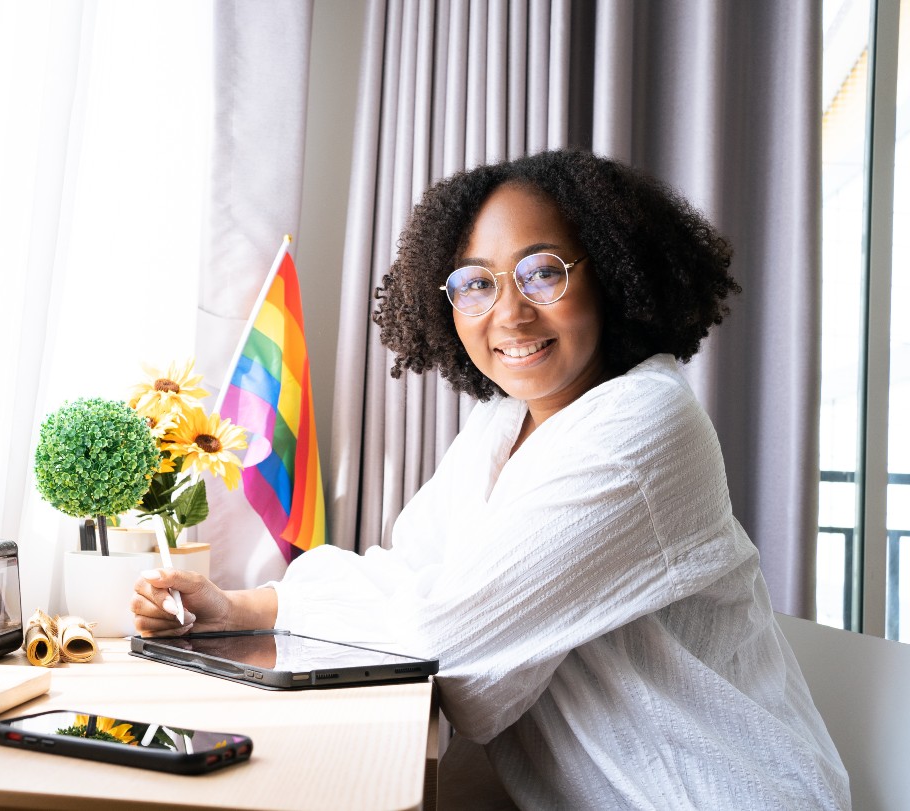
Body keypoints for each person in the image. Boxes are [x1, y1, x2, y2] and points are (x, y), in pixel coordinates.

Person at [131, 149, 850, 809]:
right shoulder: (503, 426)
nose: (508, 312)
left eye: (543, 270)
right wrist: (243, 605)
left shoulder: (644, 427)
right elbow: (414, 571)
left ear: (610, 269)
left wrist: (282, 610)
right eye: (476, 283)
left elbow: (451, 646)